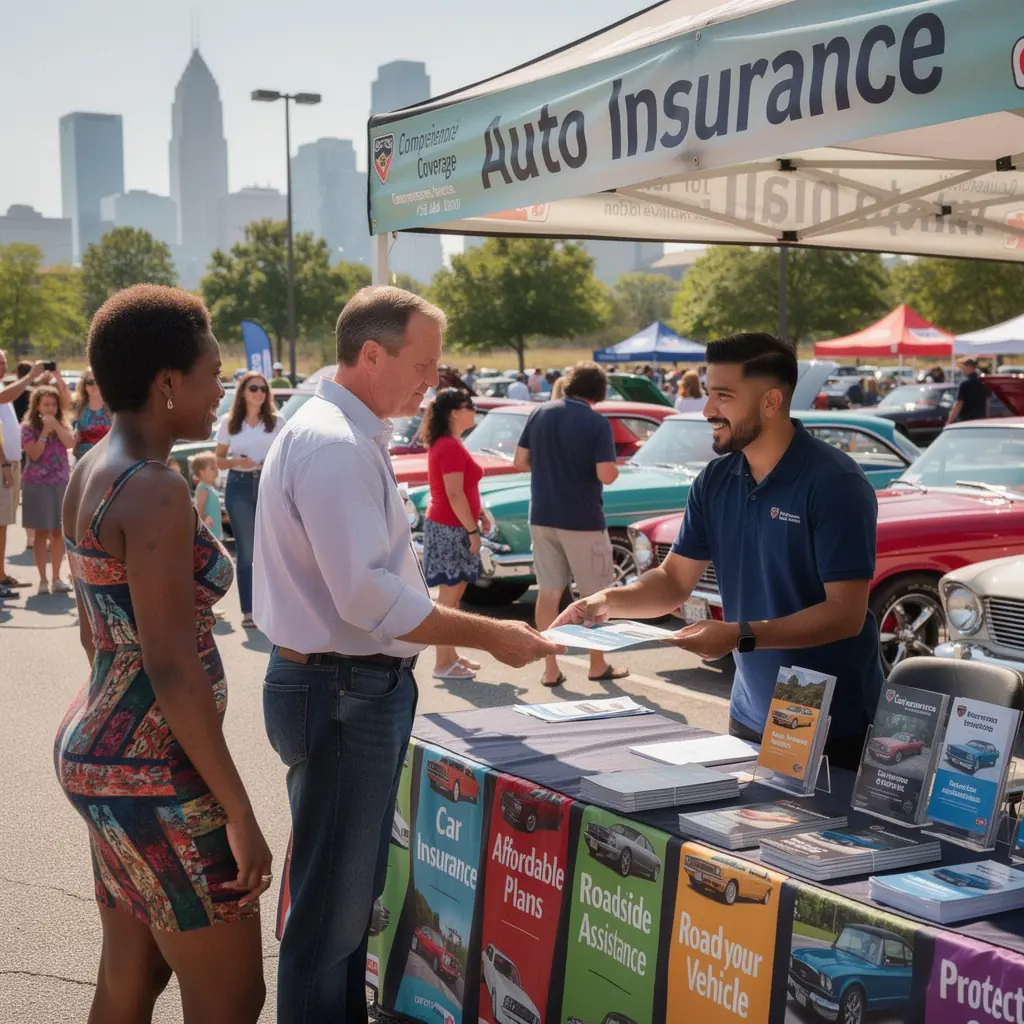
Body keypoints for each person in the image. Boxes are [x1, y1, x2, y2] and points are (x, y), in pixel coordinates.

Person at [253, 285, 560, 1023]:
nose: (435, 382)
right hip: (341, 689)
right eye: (422, 365)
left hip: (340, 685)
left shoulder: (337, 431)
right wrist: (490, 634)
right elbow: (366, 597)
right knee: (330, 919)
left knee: (341, 906)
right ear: (370, 354)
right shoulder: (333, 441)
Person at [56, 283, 271, 1024]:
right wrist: (238, 812)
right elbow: (171, 665)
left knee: (131, 978)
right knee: (234, 998)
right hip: (153, 772)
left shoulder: (92, 468)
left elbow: (95, 632)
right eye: (213, 374)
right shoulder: (152, 489)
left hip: (101, 749)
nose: (220, 391)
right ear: (167, 382)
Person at [553, 333, 884, 770]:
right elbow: (673, 582)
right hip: (750, 713)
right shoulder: (715, 480)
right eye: (709, 394)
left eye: (724, 397)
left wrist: (740, 635)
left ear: (771, 401)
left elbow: (845, 613)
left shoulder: (835, 483)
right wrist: (607, 602)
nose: (708, 410)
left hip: (832, 722)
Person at [513, 361, 627, 687]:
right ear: (599, 392)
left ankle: (550, 668)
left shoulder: (539, 413)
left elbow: (520, 462)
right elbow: (607, 473)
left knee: (548, 592)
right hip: (583, 518)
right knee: (594, 594)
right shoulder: (596, 422)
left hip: (542, 515)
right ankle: (596, 663)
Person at [422, 388, 491, 680]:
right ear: (454, 412)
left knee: (455, 595)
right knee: (448, 598)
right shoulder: (448, 446)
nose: (474, 410)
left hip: (453, 525)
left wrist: (482, 515)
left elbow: (463, 489)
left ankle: (450, 654)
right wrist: (472, 529)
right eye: (469, 405)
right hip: (450, 527)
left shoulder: (452, 443)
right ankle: (442, 663)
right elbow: (453, 494)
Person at [215, 371, 283, 629]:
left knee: (273, 550)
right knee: (246, 551)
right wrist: (237, 461)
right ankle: (249, 610)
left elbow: (287, 455)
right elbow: (218, 459)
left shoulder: (277, 422)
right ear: (243, 391)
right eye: (254, 388)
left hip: (269, 485)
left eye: (263, 389)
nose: (259, 393)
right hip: (239, 485)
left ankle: (275, 608)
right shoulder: (229, 422)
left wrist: (270, 463)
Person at [22, 384, 75, 594]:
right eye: (46, 404)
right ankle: (43, 580)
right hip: (36, 484)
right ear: (37, 406)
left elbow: (70, 443)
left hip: (60, 483)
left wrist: (57, 426)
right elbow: (34, 454)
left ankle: (56, 577)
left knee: (58, 533)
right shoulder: (27, 427)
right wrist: (44, 430)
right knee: (41, 533)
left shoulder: (63, 423)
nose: (50, 408)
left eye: (53, 405)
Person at [0, 354, 47, 588]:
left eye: (4, 363)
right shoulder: (3, 391)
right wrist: (31, 376)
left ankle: (1, 575)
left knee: (4, 523)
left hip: (10, 464)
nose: (3, 367)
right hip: (3, 465)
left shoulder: (3, 385)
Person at [71, 366, 112, 461]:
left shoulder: (113, 407)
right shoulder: (76, 407)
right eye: (90, 382)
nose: (95, 386)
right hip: (83, 461)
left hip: (106, 461)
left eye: (98, 381)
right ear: (84, 385)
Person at [190, 452, 223, 541]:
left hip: (215, 529)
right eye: (212, 468)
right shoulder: (203, 489)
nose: (216, 470)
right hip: (209, 530)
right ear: (202, 472)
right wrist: (204, 521)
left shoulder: (210, 488)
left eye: (217, 467)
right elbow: (199, 509)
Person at [948, 357, 991, 424]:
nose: (962, 369)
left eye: (964, 367)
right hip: (980, 421)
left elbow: (959, 404)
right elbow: (987, 403)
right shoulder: (984, 382)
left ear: (969, 367)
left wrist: (949, 421)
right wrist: (987, 420)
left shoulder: (965, 384)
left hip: (966, 421)